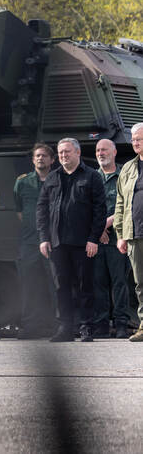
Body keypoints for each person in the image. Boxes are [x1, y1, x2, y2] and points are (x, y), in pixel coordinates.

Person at [37, 138, 106, 342]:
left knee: (85, 286)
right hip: (57, 242)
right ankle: (65, 328)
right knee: (61, 287)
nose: (63, 155)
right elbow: (42, 208)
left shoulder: (92, 176)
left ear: (77, 153)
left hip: (83, 243)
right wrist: (43, 238)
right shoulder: (53, 177)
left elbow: (100, 210)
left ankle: (86, 327)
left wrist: (93, 238)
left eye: (67, 152)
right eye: (60, 153)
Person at [13, 143, 58, 338]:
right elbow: (20, 211)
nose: (40, 158)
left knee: (56, 284)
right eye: (37, 156)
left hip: (54, 241)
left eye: (44, 156)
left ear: (52, 160)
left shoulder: (58, 180)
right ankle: (31, 325)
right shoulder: (23, 182)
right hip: (30, 242)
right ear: (32, 160)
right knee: (30, 285)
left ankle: (58, 324)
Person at [92, 138, 134, 338]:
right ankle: (101, 324)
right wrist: (97, 230)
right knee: (98, 283)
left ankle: (121, 323)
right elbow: (85, 205)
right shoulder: (92, 177)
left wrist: (105, 224)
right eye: (98, 150)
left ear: (114, 152)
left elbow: (128, 204)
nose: (101, 153)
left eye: (105, 150)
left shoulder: (125, 175)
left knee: (119, 283)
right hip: (96, 240)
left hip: (118, 238)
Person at [112, 122, 143, 341]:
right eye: (133, 140)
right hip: (134, 234)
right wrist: (120, 234)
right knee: (140, 284)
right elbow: (120, 203)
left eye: (139, 139)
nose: (135, 143)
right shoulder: (128, 168)